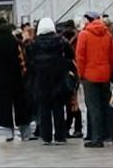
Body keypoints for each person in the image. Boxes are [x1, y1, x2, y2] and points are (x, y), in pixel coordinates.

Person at [26, 17, 75, 145]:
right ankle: (60, 136)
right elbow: (71, 54)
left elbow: (29, 61)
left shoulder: (33, 43)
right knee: (59, 108)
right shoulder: (61, 41)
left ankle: (46, 136)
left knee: (44, 109)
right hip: (58, 78)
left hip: (41, 80)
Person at [75, 12, 113, 149]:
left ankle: (97, 138)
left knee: (93, 108)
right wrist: (109, 71)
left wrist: (81, 74)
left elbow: (80, 57)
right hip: (104, 74)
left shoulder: (84, 34)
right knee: (107, 105)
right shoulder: (108, 34)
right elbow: (112, 57)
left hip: (89, 75)